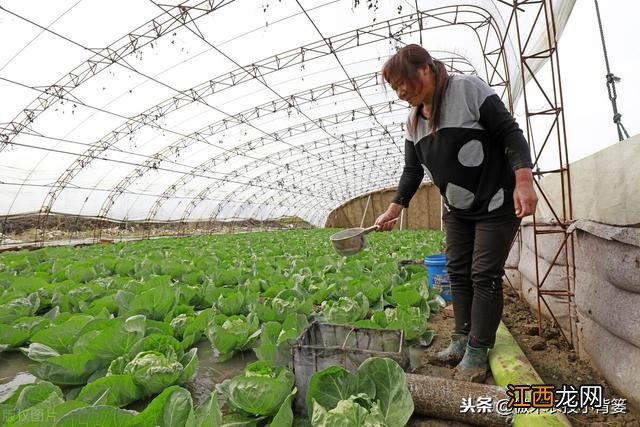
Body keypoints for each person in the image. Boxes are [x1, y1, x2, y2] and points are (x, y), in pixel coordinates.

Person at [374, 44, 538, 382]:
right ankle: (462, 339)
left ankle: (479, 349)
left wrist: (523, 180)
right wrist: (394, 207)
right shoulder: (413, 121)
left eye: (403, 81)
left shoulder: (467, 89)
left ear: (426, 69)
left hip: (496, 201)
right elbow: (412, 170)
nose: (401, 91)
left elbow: (510, 133)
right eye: (394, 87)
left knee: (483, 274)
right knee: (458, 271)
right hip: (457, 208)